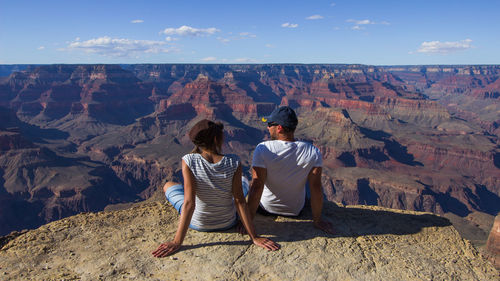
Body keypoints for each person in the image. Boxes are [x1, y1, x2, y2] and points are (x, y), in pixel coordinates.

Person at [152, 119, 279, 258]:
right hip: (227, 222)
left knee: (169, 185)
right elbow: (239, 201)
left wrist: (177, 242)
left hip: (198, 224)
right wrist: (254, 237)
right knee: (243, 181)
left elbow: (189, 203)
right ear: (215, 139)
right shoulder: (234, 161)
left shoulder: (188, 160)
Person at [245, 106, 335, 234]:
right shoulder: (312, 151)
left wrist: (248, 221)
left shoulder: (263, 149)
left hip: (266, 209)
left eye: (270, 124)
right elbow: (315, 188)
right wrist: (317, 220)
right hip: (296, 211)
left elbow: (257, 186)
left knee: (244, 182)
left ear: (279, 128)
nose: (268, 127)